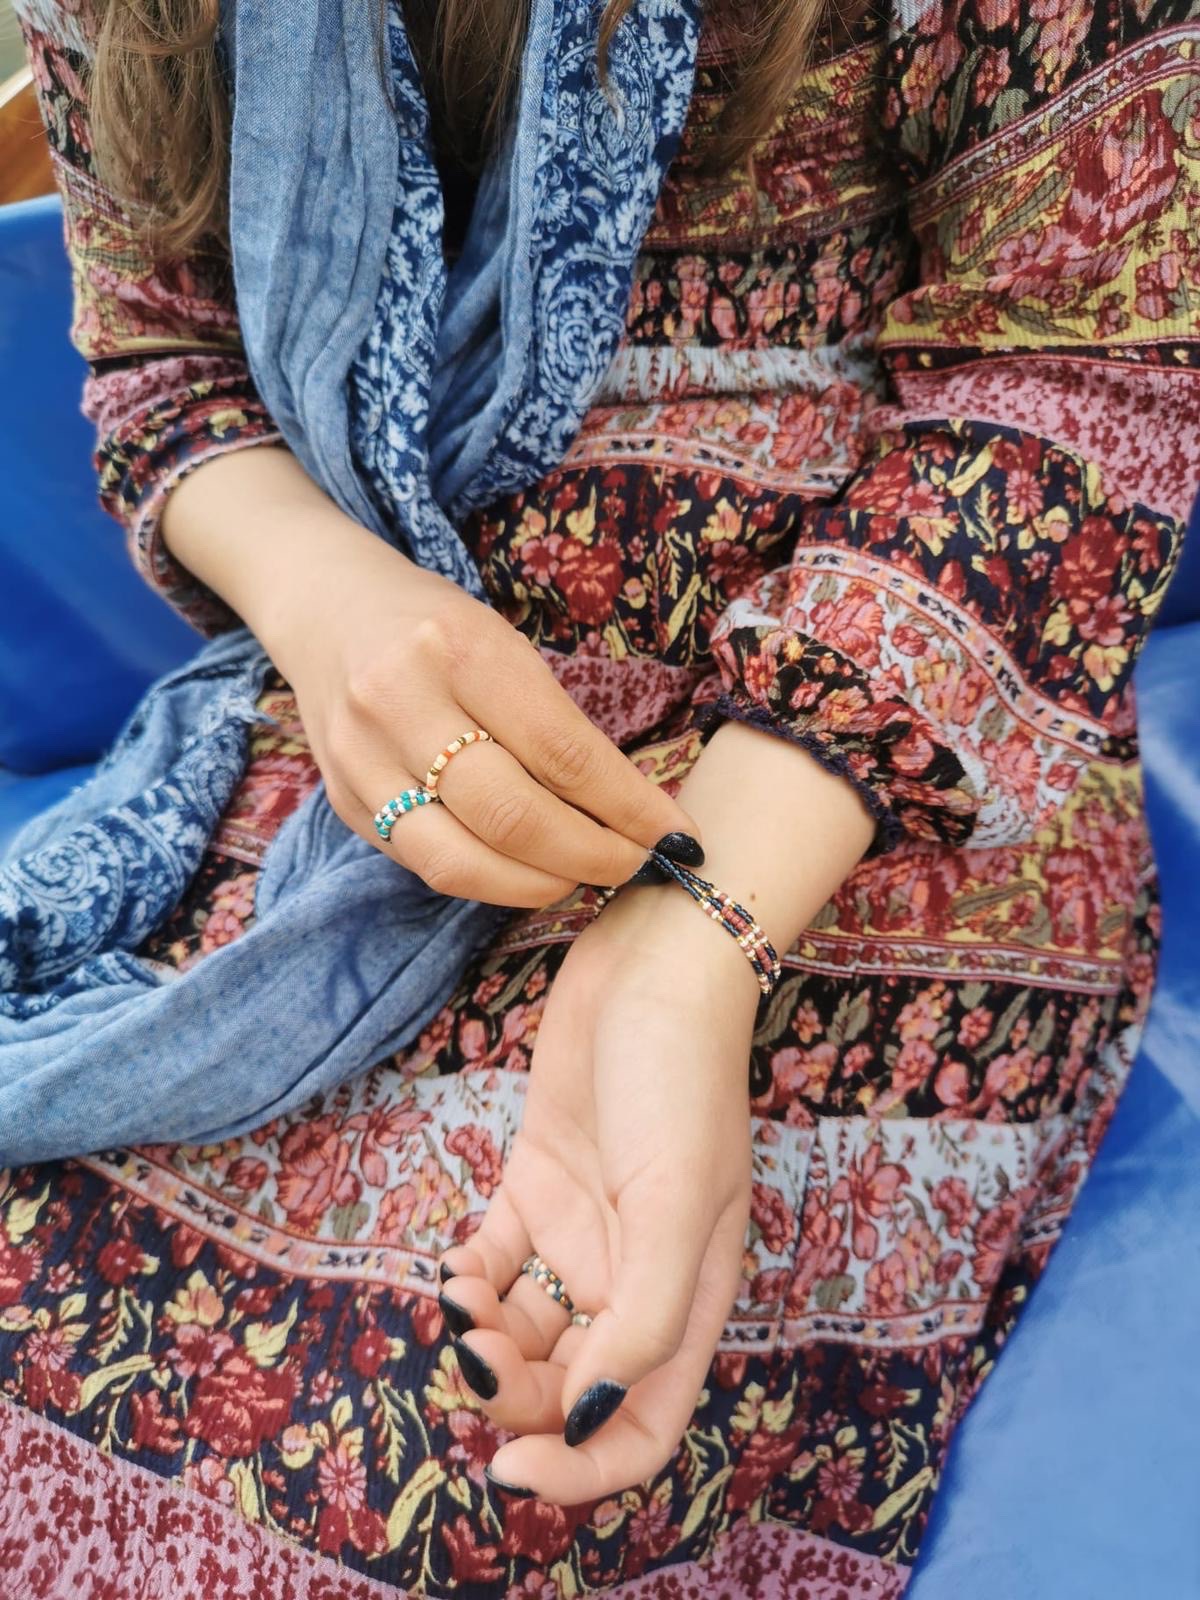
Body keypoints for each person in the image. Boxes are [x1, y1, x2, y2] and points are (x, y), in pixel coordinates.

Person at [1, 0, 1197, 1593]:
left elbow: (1078, 388)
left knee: (474, 1461)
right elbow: (163, 361)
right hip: (357, 752)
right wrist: (339, 609)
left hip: (859, 783)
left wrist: (686, 950)